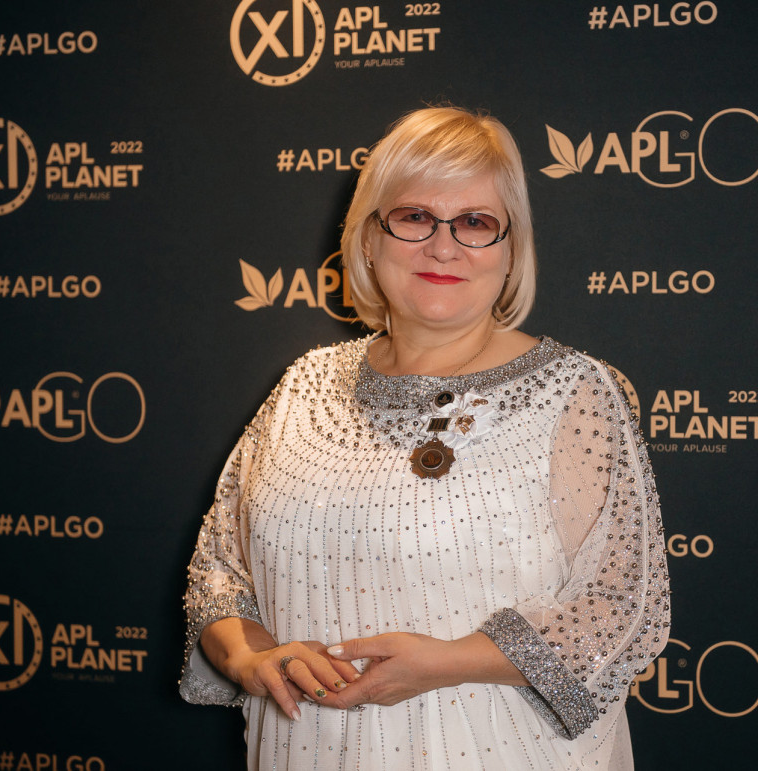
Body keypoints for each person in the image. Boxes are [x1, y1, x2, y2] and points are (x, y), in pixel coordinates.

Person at [179, 106, 670, 770]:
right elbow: (220, 569)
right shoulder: (302, 385)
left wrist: (447, 661)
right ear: (368, 238)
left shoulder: (573, 392)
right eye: (414, 217)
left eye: (475, 222)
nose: (443, 246)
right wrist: (252, 656)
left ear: (511, 249)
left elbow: (622, 607)